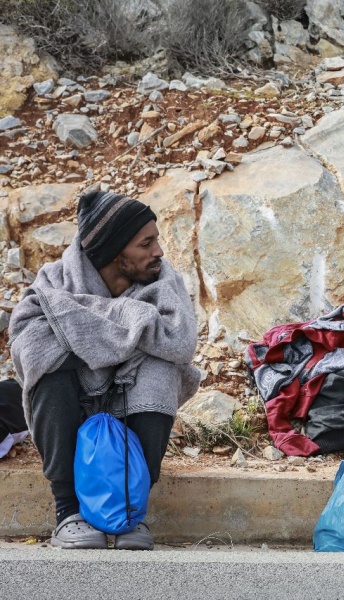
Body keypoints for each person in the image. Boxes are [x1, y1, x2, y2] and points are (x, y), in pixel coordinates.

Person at [9, 190, 200, 550]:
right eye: (146, 243)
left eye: (156, 240)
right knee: (48, 369)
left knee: (162, 369)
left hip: (130, 394)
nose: (158, 251)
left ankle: (132, 512)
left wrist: (82, 326)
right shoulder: (55, 281)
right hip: (76, 401)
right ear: (114, 252)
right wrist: (132, 327)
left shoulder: (164, 282)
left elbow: (179, 342)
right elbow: (27, 340)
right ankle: (67, 513)